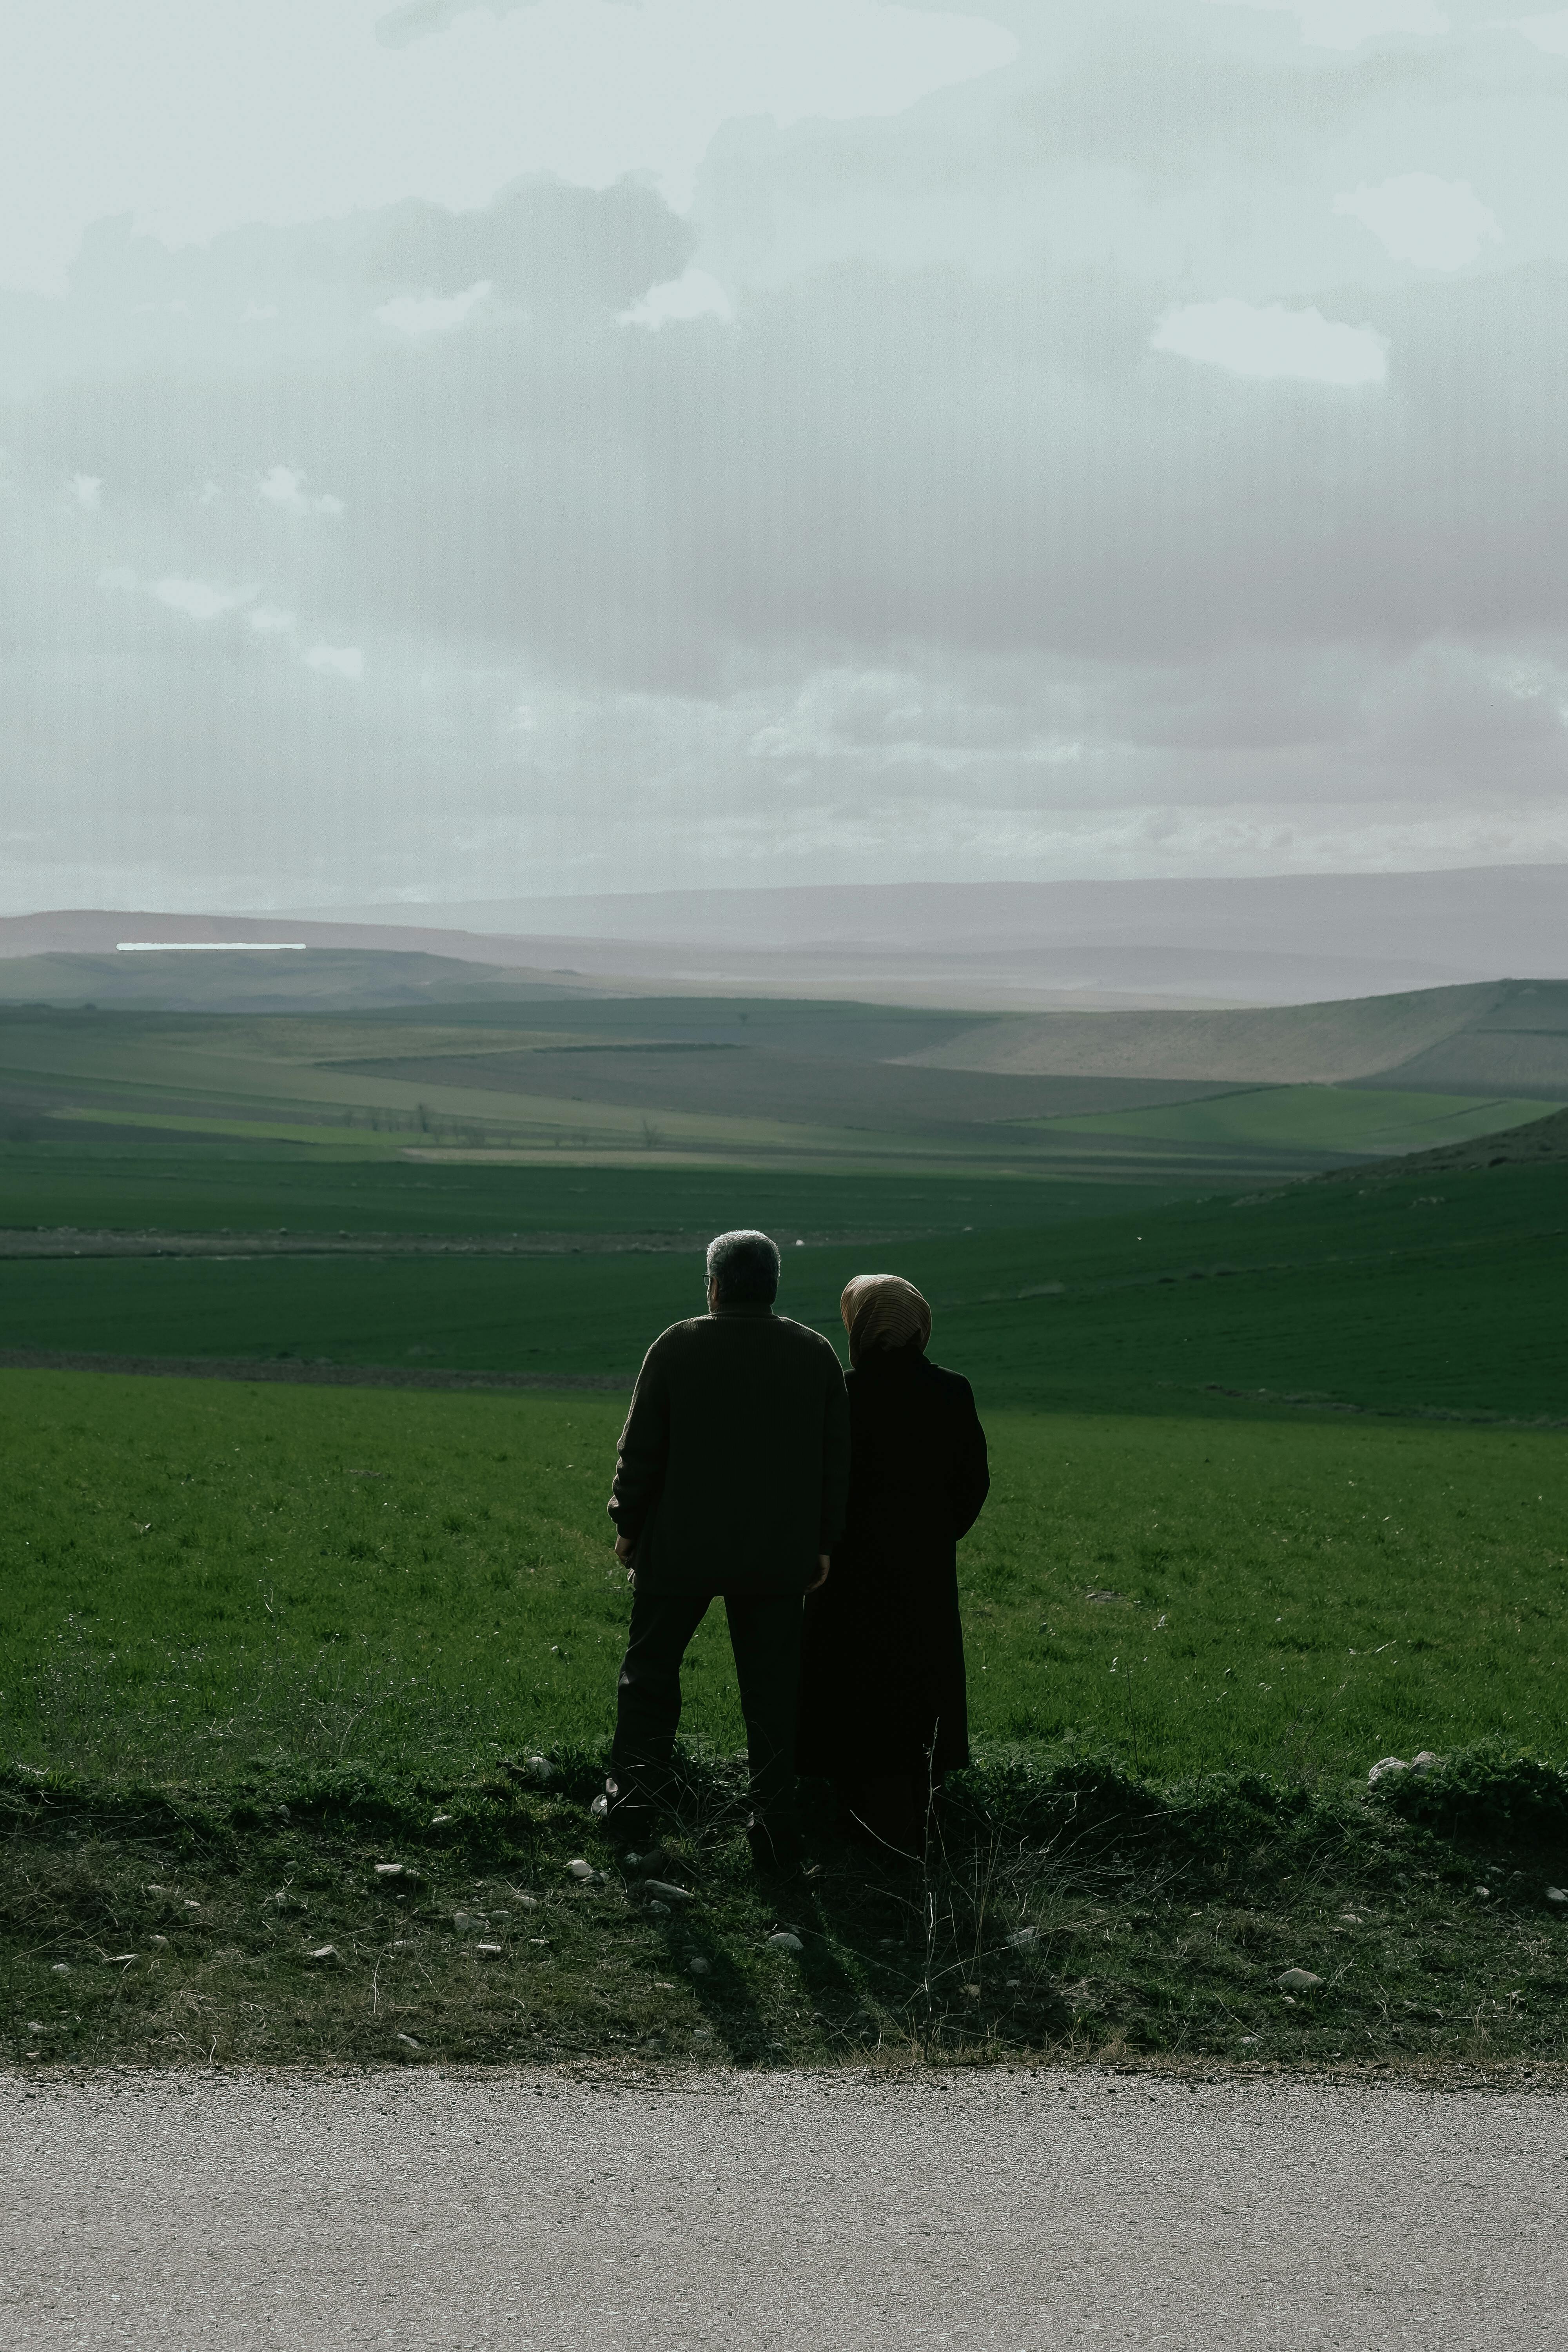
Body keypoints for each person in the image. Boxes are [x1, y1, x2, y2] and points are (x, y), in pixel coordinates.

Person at [603, 1228, 851, 1871]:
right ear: (772, 1286)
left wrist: (627, 1522)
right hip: (777, 1555)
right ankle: (774, 1828)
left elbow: (641, 1450)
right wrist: (823, 1541)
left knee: (649, 1676)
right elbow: (834, 1462)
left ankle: (633, 1805)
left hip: (678, 1546)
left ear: (714, 1285)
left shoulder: (677, 1345)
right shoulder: (815, 1353)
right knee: (772, 1692)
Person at [797, 1272, 989, 1856]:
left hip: (846, 1569)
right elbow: (972, 1483)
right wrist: (934, 1535)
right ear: (920, 1326)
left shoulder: (838, 1390)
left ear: (855, 1327)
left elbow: (812, 1478)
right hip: (925, 1569)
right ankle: (918, 1808)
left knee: (851, 1676)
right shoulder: (952, 1391)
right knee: (918, 1676)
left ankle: (851, 1818)